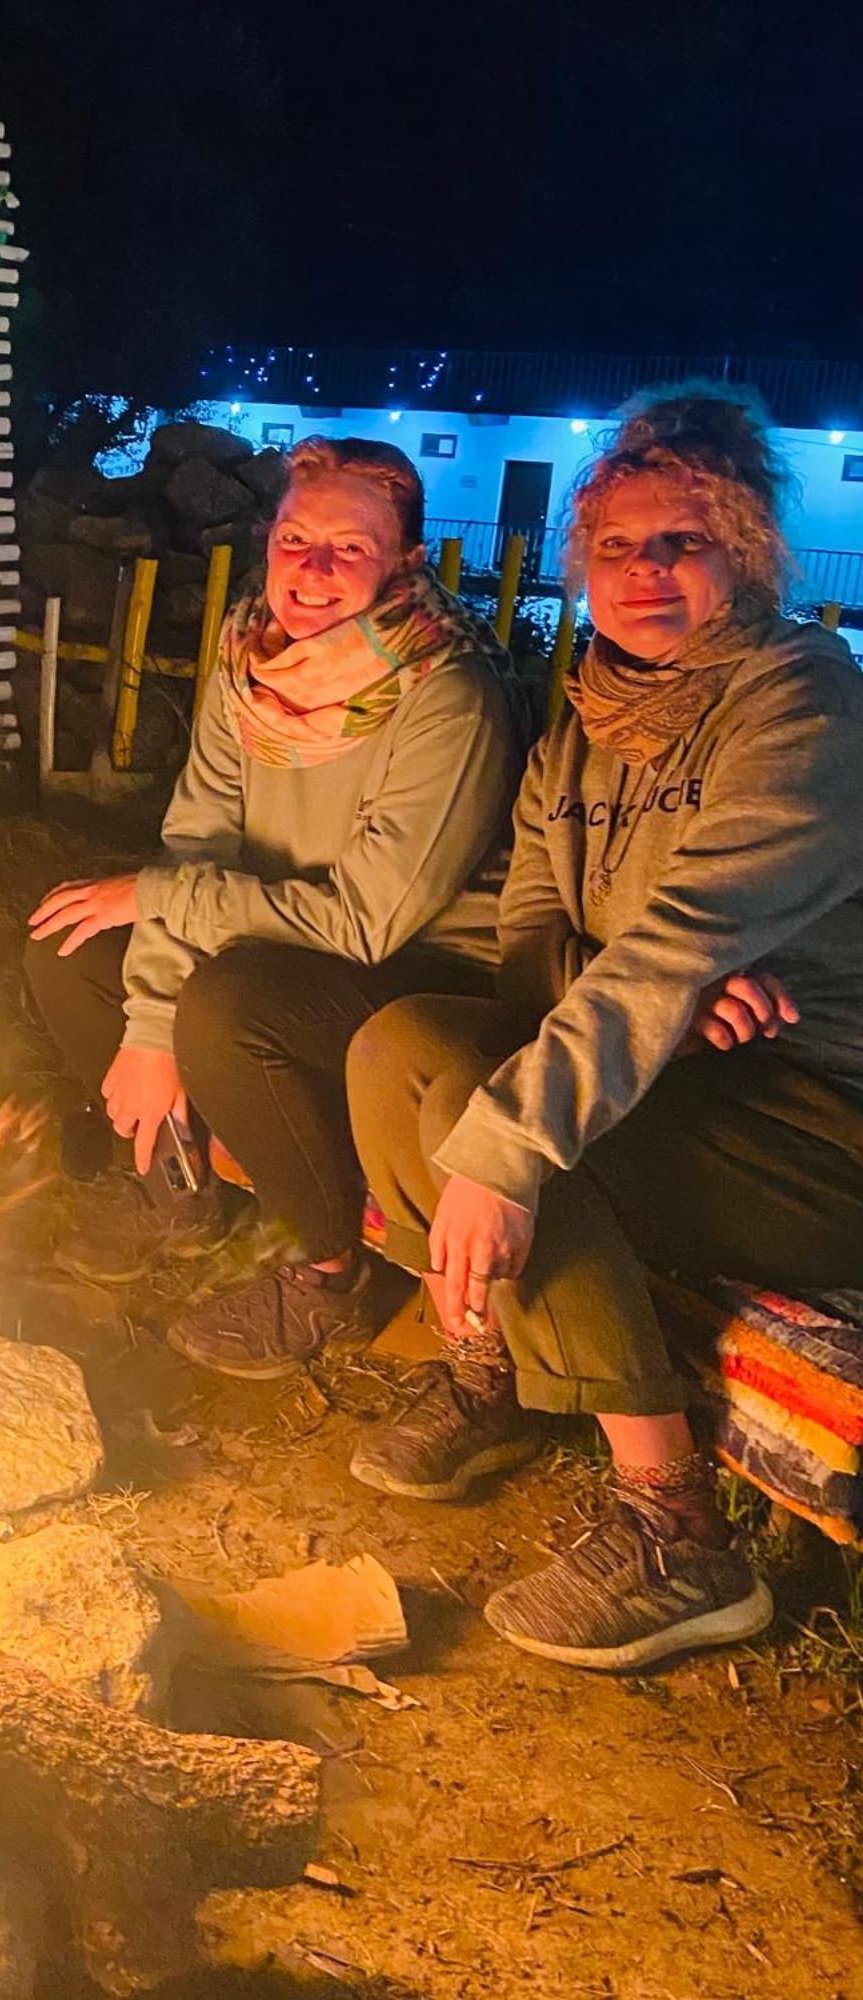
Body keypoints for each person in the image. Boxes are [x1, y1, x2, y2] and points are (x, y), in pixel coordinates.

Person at [346, 386, 863, 1671]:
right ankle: (496, 1374)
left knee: (505, 1120)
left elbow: (686, 932)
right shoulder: (583, 716)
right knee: (401, 1036)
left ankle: (679, 1536)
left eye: (682, 541)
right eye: (620, 547)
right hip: (678, 1071)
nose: (646, 573)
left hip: (812, 1119)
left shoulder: (799, 707)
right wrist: (660, 1003)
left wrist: (653, 992)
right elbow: (533, 935)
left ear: (744, 549)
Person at [27, 434, 532, 1374]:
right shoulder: (252, 661)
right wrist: (145, 1022)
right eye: (297, 539)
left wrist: (160, 910)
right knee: (72, 942)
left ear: (406, 562)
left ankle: (328, 1271)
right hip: (270, 926)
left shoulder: (446, 695)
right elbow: (200, 841)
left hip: (421, 969)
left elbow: (363, 923)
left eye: (350, 548)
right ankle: (174, 1183)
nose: (312, 569)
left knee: (228, 1005)